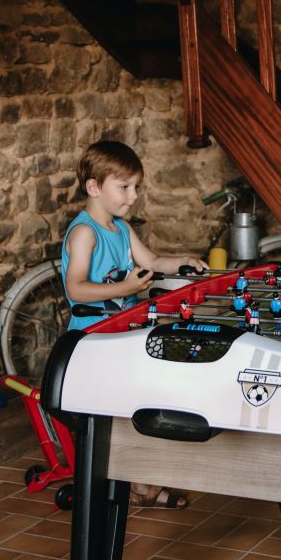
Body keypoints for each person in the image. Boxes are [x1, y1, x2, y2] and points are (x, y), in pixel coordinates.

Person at [60, 139, 206, 509]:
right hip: (91, 340)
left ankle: (141, 483)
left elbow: (152, 261)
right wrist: (126, 288)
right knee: (115, 411)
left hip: (122, 336)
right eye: (124, 186)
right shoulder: (84, 233)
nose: (133, 195)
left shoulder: (122, 229)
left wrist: (183, 261)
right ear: (94, 187)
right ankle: (138, 484)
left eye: (136, 187)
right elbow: (76, 288)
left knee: (136, 403)